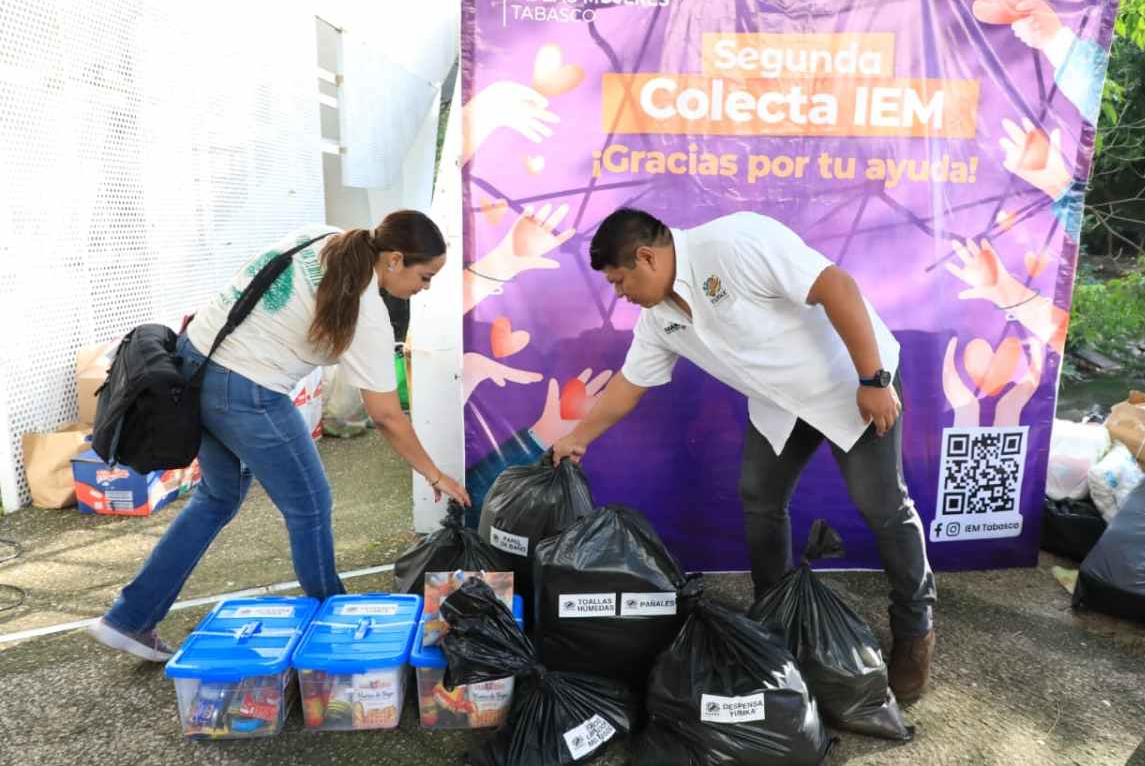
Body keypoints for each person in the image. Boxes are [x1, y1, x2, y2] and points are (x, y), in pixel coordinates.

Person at [550, 208, 937, 700]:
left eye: (619, 280)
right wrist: (579, 437)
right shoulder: (659, 319)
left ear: (646, 257)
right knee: (760, 497)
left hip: (851, 380)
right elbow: (631, 383)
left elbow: (836, 286)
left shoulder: (734, 243)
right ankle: (774, 617)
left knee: (882, 506)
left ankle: (915, 629)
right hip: (780, 402)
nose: (619, 294)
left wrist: (874, 379)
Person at [89, 210, 469, 662]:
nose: (425, 288)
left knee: (217, 498)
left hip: (194, 361)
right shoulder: (367, 313)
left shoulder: (320, 236)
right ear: (395, 259)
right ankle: (336, 629)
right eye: (425, 277)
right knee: (309, 504)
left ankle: (129, 618)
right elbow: (387, 415)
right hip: (245, 390)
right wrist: (434, 473)